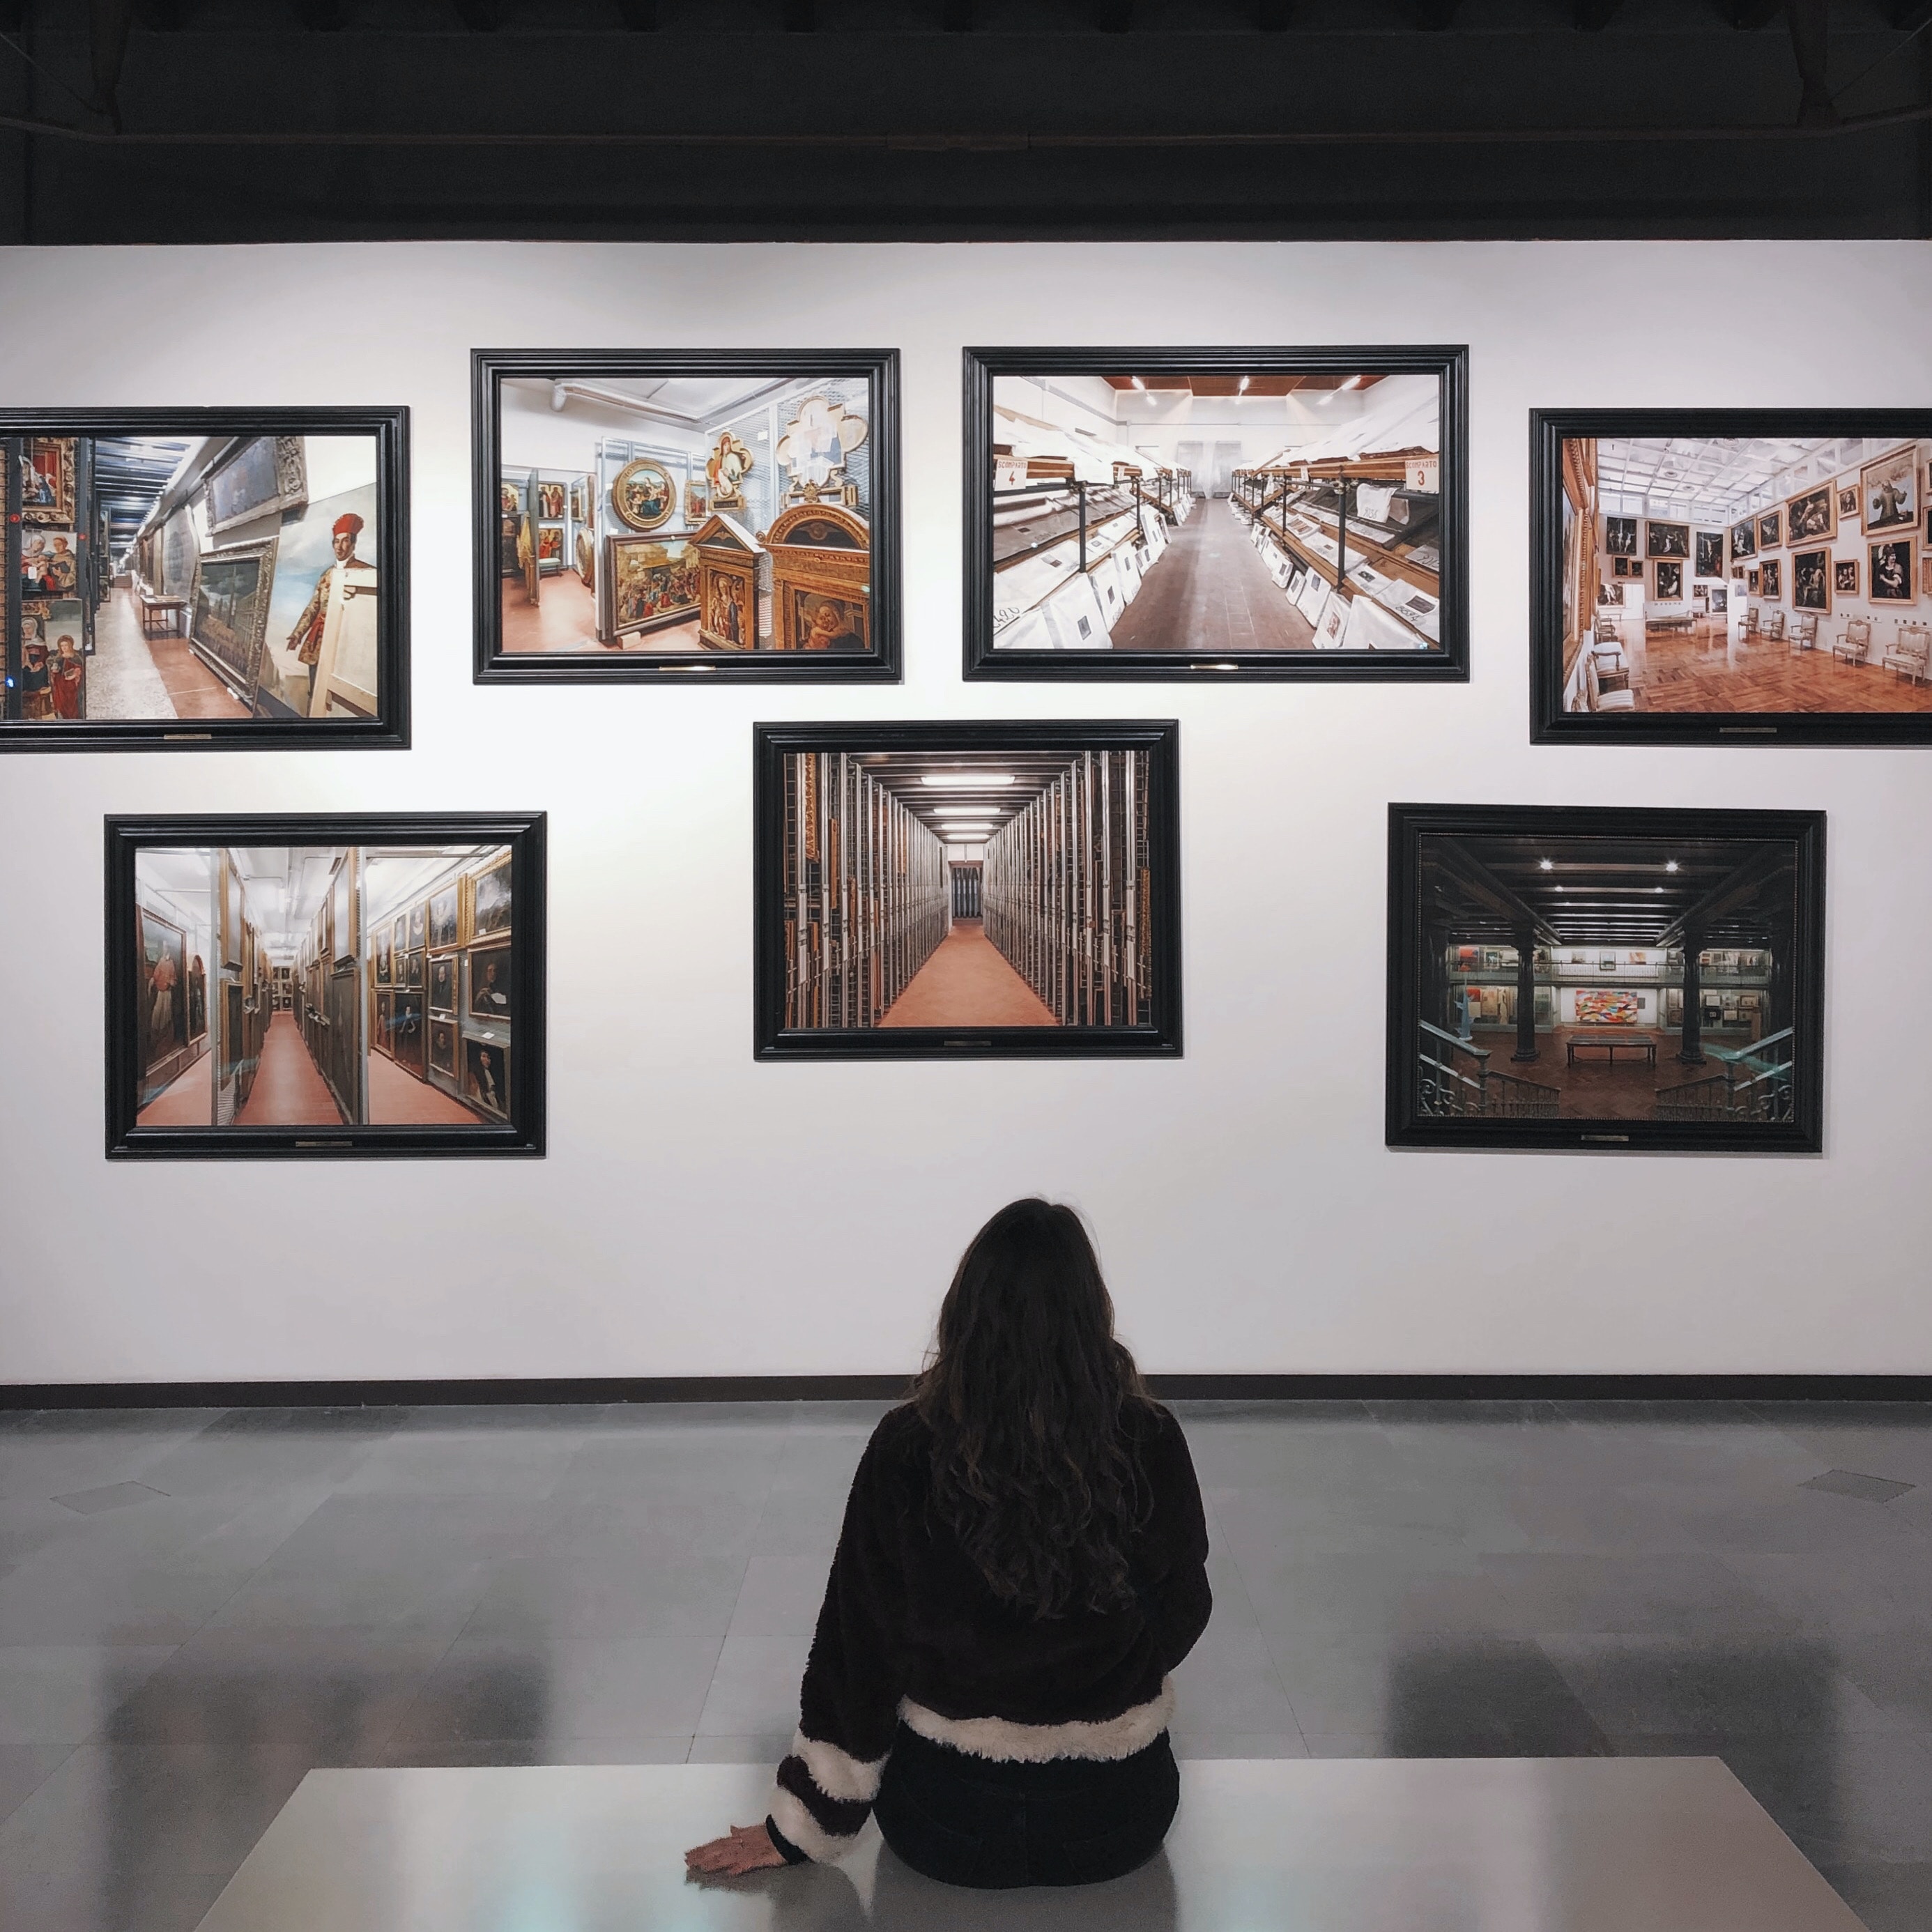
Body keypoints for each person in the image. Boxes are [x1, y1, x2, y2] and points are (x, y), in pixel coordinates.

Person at [685, 1199, 1211, 1892]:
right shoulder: (1150, 1439)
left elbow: (860, 1650)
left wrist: (801, 1827)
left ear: (966, 1312)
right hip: (1116, 1821)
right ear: (1091, 1312)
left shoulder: (908, 1448)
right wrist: (1100, 1677)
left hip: (950, 1827)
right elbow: (1185, 1607)